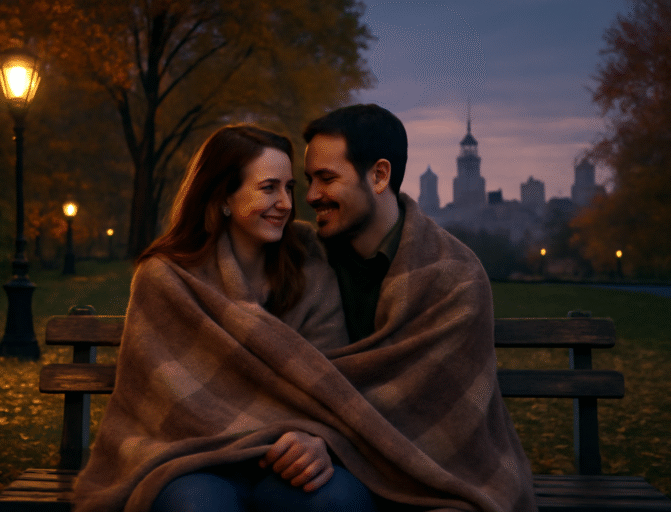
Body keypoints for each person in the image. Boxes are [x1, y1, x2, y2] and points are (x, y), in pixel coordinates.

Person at [73, 125, 377, 512]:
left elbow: (331, 386)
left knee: (341, 501)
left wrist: (318, 441)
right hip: (190, 461)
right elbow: (159, 397)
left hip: (282, 461)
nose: (284, 203)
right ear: (224, 198)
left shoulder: (312, 273)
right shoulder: (166, 278)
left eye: (289, 188)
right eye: (268, 188)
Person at [302, 104, 537, 511]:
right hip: (325, 469)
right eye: (309, 180)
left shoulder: (454, 274)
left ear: (379, 176)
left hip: (435, 472)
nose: (310, 196)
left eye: (326, 178)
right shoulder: (301, 261)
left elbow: (429, 400)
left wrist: (328, 436)